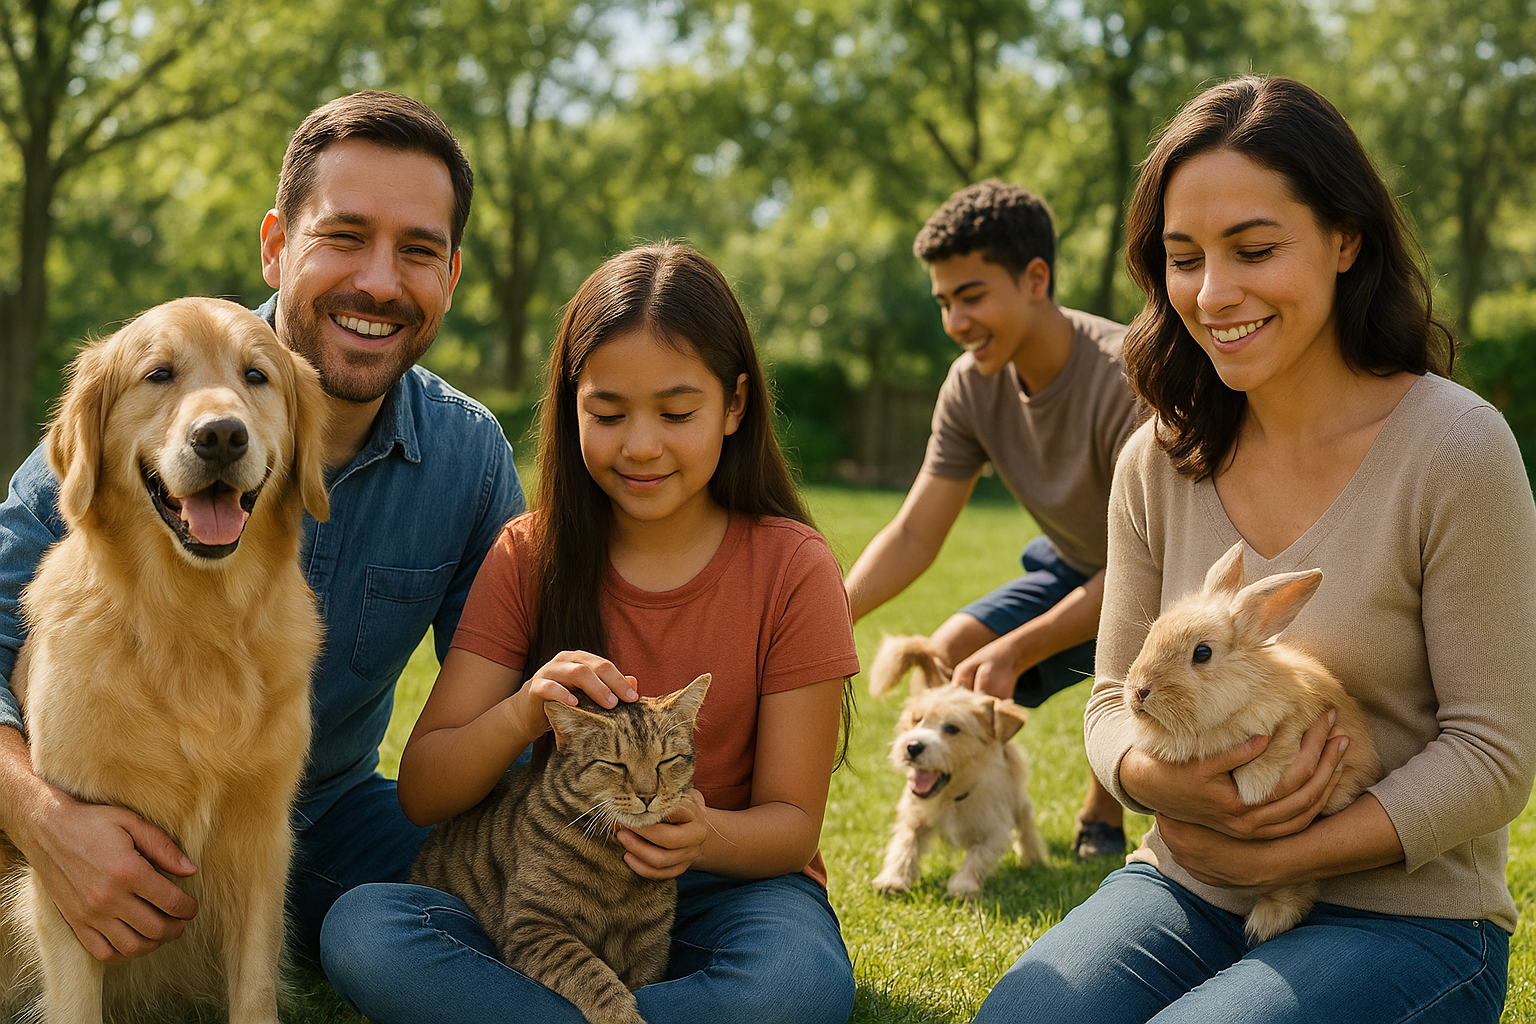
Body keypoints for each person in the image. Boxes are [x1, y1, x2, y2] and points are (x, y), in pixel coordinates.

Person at [974, 75, 1536, 1024]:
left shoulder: (1456, 449)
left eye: (1255, 249)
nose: (1213, 292)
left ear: (1345, 239)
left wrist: (1276, 855)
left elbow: (1495, 752)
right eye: (1183, 258)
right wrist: (1164, 789)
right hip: (1187, 882)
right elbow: (1113, 701)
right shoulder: (1159, 455)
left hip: (1408, 918)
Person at [0, 91, 524, 965]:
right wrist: (43, 819)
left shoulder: (467, 458)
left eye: (418, 252)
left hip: (323, 822)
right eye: (345, 236)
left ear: (452, 277)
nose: (380, 283)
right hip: (110, 807)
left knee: (514, 878)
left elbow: (512, 690)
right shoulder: (140, 400)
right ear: (278, 247)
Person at [317, 241, 860, 1024]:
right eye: (607, 414)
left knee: (796, 984)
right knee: (367, 931)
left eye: (677, 413)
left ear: (735, 406)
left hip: (724, 887)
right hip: (548, 880)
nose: (640, 445)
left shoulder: (792, 566)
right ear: (572, 406)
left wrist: (698, 837)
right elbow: (425, 789)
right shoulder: (528, 553)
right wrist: (524, 709)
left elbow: (790, 823)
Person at [843, 180, 1141, 858]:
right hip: (1071, 565)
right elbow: (915, 532)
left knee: (1128, 656)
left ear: (1036, 279)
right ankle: (947, 815)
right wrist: (833, 613)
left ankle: (1103, 812)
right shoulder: (971, 384)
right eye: (945, 302)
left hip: (1161, 579)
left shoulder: (1126, 375)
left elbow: (1143, 570)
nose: (955, 322)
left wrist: (1018, 649)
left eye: (972, 296)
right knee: (947, 653)